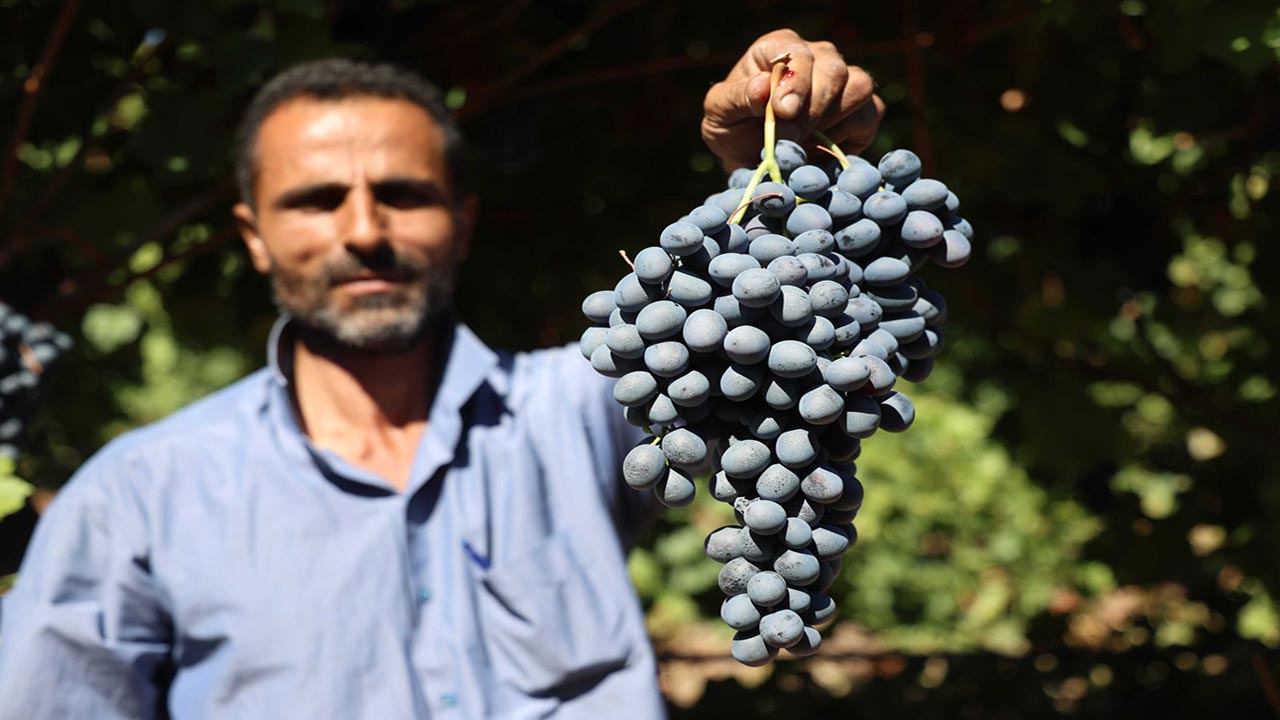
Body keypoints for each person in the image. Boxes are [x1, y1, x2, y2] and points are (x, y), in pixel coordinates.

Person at [0, 29, 882, 719]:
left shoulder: (576, 413)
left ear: (462, 221)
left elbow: (748, 354)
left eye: (403, 194)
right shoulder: (135, 498)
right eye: (315, 200)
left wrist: (761, 172)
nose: (364, 231)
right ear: (253, 236)